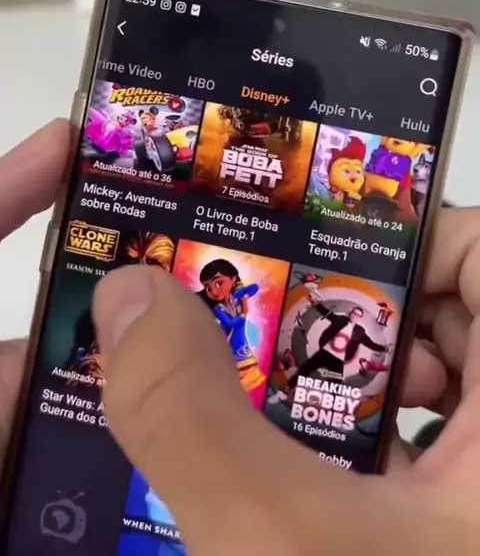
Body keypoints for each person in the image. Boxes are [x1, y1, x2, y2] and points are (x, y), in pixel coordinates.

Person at [1, 120, 479, 553]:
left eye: (222, 282)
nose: (218, 288)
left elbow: (256, 306)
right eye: (213, 284)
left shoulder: (238, 307)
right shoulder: (189, 312)